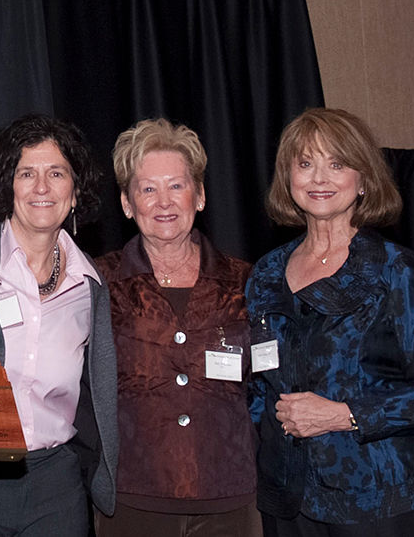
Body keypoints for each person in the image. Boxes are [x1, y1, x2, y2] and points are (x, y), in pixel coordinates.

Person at [246, 107, 414, 536]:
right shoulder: (264, 273)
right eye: (305, 164)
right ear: (288, 178)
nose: (319, 178)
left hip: (380, 501)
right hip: (288, 499)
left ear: (363, 179)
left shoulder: (397, 271)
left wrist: (345, 414)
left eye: (336, 164)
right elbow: (258, 383)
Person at [94, 119, 262, 536]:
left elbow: (268, 384)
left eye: (177, 186)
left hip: (230, 497)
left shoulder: (246, 281)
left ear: (200, 196)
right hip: (134, 498)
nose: (163, 201)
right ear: (127, 204)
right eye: (147, 189)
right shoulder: (99, 282)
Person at [0, 114, 118, 536]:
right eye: (26, 173)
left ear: (75, 190)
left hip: (56, 484)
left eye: (57, 173)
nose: (42, 188)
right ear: (6, 185)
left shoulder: (91, 286)